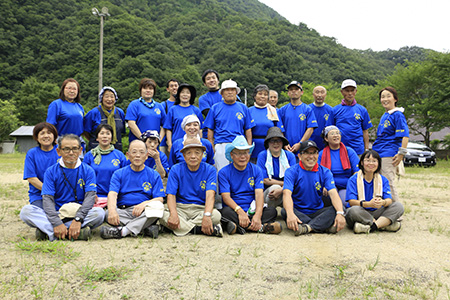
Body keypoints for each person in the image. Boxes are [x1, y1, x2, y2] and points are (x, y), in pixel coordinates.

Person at [22, 134, 105, 241]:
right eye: (66, 149)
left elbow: (90, 197)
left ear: (80, 150)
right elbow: (47, 198)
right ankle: (71, 232)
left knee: (99, 213)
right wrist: (56, 222)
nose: (71, 152)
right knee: (26, 211)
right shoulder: (51, 171)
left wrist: (78, 219)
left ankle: (50, 232)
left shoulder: (88, 170)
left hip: (78, 212)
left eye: (74, 149)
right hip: (57, 213)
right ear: (58, 151)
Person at [100, 140, 165, 239]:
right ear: (128, 155)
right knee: (108, 213)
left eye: (141, 152)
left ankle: (123, 231)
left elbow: (160, 199)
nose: (138, 155)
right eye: (134, 152)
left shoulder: (154, 174)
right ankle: (145, 228)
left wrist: (143, 204)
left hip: (144, 212)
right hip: (124, 211)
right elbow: (112, 194)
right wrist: (113, 211)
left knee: (157, 208)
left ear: (147, 155)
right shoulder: (119, 173)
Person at [160, 137, 223, 237]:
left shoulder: (210, 170)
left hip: (200, 208)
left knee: (216, 216)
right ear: (184, 156)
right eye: (189, 153)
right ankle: (198, 229)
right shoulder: (175, 169)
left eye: (197, 152)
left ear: (202, 155)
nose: (193, 156)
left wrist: (207, 215)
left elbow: (210, 195)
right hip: (180, 207)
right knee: (160, 213)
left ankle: (179, 228)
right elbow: (171, 195)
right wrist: (173, 214)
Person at [218, 135, 281, 235]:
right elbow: (226, 197)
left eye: (245, 152)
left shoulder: (256, 170)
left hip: (252, 208)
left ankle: (240, 227)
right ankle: (260, 227)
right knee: (224, 213)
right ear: (232, 155)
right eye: (238, 153)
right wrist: (240, 212)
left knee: (272, 211)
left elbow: (259, 194)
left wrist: (258, 215)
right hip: (234, 209)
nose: (243, 156)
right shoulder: (224, 172)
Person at [282, 140, 346, 235]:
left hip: (318, 211)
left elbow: (333, 193)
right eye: (307, 153)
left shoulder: (325, 171)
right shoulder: (291, 171)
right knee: (285, 211)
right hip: (299, 211)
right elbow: (287, 194)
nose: (311, 156)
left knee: (341, 209)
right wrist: (290, 214)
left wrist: (340, 214)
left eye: (314, 153)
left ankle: (308, 227)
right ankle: (323, 226)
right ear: (299, 156)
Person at [345, 150, 404, 234]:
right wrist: (368, 204)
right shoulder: (353, 179)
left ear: (378, 164)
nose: (371, 163)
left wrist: (382, 202)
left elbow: (389, 200)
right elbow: (352, 202)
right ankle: (384, 225)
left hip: (377, 211)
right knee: (353, 211)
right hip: (361, 211)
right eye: (368, 160)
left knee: (398, 206)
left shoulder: (383, 179)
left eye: (374, 161)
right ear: (362, 162)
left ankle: (371, 226)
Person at [20, 122, 60, 239]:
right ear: (36, 137)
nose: (46, 136)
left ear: (54, 136)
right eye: (42, 133)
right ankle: (57, 231)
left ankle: (45, 229)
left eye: (49, 133)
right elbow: (31, 178)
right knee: (26, 212)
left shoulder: (61, 151)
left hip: (62, 196)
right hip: (40, 197)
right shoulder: (32, 153)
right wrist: (49, 191)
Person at [204, 79, 254, 171]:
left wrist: (249, 146)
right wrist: (212, 147)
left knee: (239, 171)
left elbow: (248, 129)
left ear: (236, 92)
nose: (230, 92)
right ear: (222, 93)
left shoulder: (243, 108)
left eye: (232, 90)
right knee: (221, 171)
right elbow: (210, 129)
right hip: (221, 143)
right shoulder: (215, 108)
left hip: (239, 145)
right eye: (227, 90)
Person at [372, 87, 409, 203]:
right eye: (382, 97)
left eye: (388, 96)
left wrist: (401, 154)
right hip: (379, 152)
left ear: (395, 99)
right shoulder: (385, 115)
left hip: (389, 152)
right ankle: (384, 209)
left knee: (388, 181)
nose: (385, 99)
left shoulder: (397, 115)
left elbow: (405, 135)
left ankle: (396, 213)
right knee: (378, 182)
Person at [84, 124, 127, 208]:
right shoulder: (90, 155)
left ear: (111, 137)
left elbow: (125, 177)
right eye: (102, 133)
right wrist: (90, 193)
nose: (105, 136)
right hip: (95, 196)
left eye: (108, 133)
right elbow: (84, 177)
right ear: (97, 138)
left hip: (115, 195)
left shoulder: (119, 155)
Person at [318, 126, 359, 206]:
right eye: (332, 134)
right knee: (330, 199)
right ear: (326, 139)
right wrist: (324, 184)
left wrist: (352, 186)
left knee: (344, 202)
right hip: (330, 185)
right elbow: (318, 172)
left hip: (347, 185)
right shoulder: (321, 154)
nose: (336, 135)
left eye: (338, 133)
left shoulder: (349, 151)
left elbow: (357, 171)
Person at [257, 127, 296, 208]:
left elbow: (294, 179)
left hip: (287, 191)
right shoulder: (262, 155)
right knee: (275, 187)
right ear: (268, 143)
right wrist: (284, 185)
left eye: (278, 140)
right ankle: (270, 214)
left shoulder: (290, 156)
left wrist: (282, 189)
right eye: (272, 140)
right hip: (268, 192)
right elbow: (265, 180)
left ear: (282, 143)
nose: (276, 143)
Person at [332, 79, 372, 155]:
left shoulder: (362, 110)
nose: (350, 93)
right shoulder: (335, 110)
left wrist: (366, 149)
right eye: (347, 91)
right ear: (342, 92)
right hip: (339, 149)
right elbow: (330, 130)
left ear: (356, 91)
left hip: (358, 150)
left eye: (352, 90)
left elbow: (365, 131)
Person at [278, 81, 317, 156]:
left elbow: (310, 128)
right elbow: (280, 129)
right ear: (288, 93)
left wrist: (300, 143)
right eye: (291, 89)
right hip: (285, 149)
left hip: (303, 149)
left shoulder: (307, 109)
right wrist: (284, 143)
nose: (293, 91)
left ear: (301, 92)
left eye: (296, 89)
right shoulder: (282, 110)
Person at [163, 83, 203, 153]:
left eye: (187, 93)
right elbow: (168, 129)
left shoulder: (196, 110)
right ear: (178, 94)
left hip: (193, 143)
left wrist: (200, 142)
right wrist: (170, 144)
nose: (185, 95)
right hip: (177, 143)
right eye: (182, 92)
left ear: (191, 95)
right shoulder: (173, 109)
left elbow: (200, 129)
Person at [83, 86, 126, 152]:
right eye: (106, 96)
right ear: (101, 98)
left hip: (116, 149)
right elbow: (85, 131)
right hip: (96, 149)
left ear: (115, 98)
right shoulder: (93, 112)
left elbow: (121, 131)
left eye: (112, 96)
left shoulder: (120, 112)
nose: (109, 99)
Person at [249, 84, 284, 163]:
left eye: (265, 94)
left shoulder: (274, 111)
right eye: (260, 94)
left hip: (270, 145)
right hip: (253, 146)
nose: (262, 96)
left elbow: (280, 130)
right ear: (255, 96)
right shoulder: (249, 111)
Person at [125, 78, 166, 143]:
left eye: (150, 88)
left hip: (154, 146)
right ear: (140, 90)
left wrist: (158, 140)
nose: (148, 90)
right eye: (145, 88)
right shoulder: (134, 104)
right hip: (138, 144)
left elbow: (165, 125)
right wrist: (143, 139)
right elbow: (131, 124)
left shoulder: (159, 106)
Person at [309, 86, 333, 150]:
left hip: (325, 145)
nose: (319, 95)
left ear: (325, 95)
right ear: (313, 94)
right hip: (310, 144)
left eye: (322, 92)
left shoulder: (330, 110)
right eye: (317, 92)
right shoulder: (307, 109)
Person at [160, 79, 180, 155]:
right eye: (171, 86)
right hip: (164, 143)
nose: (174, 88)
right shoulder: (163, 105)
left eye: (176, 86)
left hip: (178, 141)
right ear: (167, 89)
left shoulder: (183, 104)